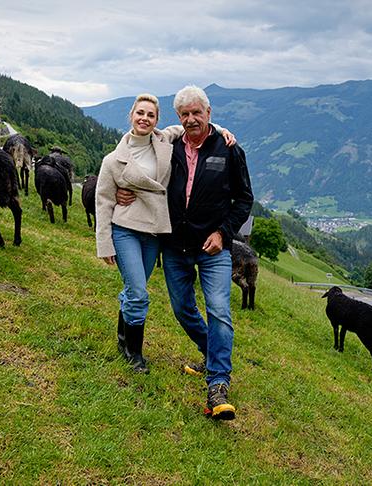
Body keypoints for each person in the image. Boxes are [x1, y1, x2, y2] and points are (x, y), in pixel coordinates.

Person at [121, 85, 253, 420]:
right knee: (182, 310)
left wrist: (223, 233)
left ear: (209, 113)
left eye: (198, 112)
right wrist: (123, 191)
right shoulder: (169, 145)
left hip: (213, 249)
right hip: (175, 247)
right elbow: (134, 147)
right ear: (179, 118)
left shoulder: (229, 149)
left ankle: (218, 384)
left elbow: (244, 200)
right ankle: (212, 355)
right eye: (185, 114)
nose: (192, 119)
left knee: (220, 310)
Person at [95, 93, 235, 374]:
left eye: (151, 115)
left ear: (157, 121)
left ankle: (123, 338)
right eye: (140, 113)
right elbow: (103, 200)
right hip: (126, 229)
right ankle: (134, 354)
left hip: (155, 232)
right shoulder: (113, 160)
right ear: (131, 116)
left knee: (133, 290)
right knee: (138, 291)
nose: (145, 118)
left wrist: (221, 130)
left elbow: (194, 123)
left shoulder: (165, 141)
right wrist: (104, 243)